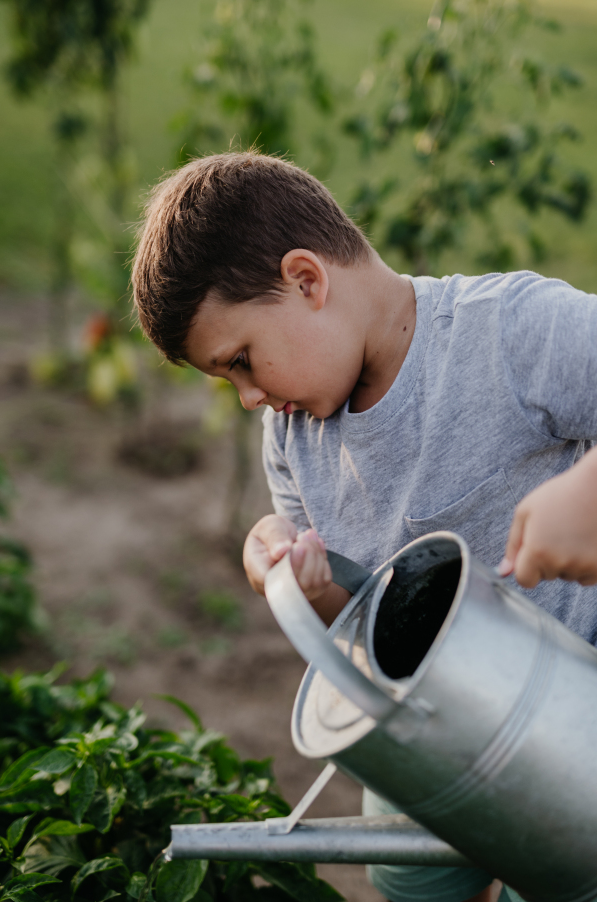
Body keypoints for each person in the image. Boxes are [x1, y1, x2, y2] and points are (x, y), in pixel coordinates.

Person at [132, 151, 597, 902]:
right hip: (421, 738)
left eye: (243, 361)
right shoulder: (293, 438)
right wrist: (295, 575)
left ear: (308, 280)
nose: (249, 398)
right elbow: (353, 613)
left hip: (568, 728)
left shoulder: (510, 333)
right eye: (229, 381)